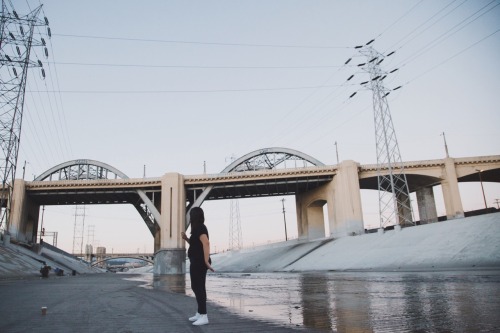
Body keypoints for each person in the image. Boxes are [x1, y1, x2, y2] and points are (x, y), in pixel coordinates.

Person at [181, 206, 214, 326]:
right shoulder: (196, 229)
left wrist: (206, 261)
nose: (190, 217)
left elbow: (206, 243)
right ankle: (200, 313)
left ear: (194, 216)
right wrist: (186, 239)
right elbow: (196, 244)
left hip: (200, 262)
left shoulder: (201, 228)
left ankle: (204, 316)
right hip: (196, 261)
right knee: (196, 287)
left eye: (191, 215)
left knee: (199, 288)